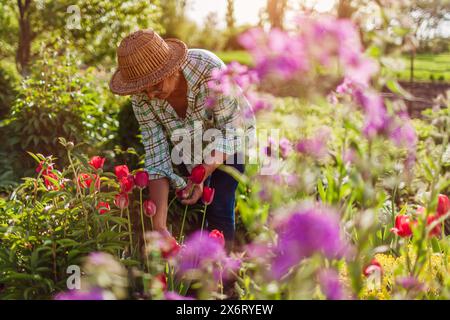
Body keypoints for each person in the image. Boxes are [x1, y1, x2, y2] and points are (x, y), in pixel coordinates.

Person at [109, 29, 255, 250]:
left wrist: (202, 173)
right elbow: (156, 155)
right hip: (191, 149)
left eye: (156, 86)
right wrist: (159, 226)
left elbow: (232, 130)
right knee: (198, 212)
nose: (150, 96)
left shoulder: (209, 69)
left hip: (230, 141)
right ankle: (199, 271)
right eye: (143, 90)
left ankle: (226, 276)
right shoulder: (142, 97)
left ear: (172, 67)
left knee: (219, 205)